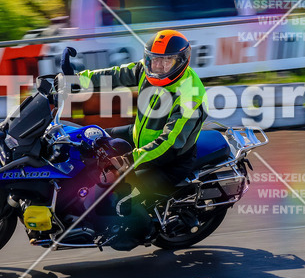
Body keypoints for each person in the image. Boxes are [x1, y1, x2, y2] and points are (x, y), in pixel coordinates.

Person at [77, 29, 207, 247]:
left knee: (123, 198)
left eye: (167, 62)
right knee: (92, 139)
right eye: (155, 60)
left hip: (169, 159)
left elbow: (167, 142)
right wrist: (78, 79)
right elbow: (115, 74)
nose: (159, 67)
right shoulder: (146, 70)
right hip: (139, 136)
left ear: (182, 61)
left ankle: (142, 231)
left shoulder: (189, 95)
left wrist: (128, 159)